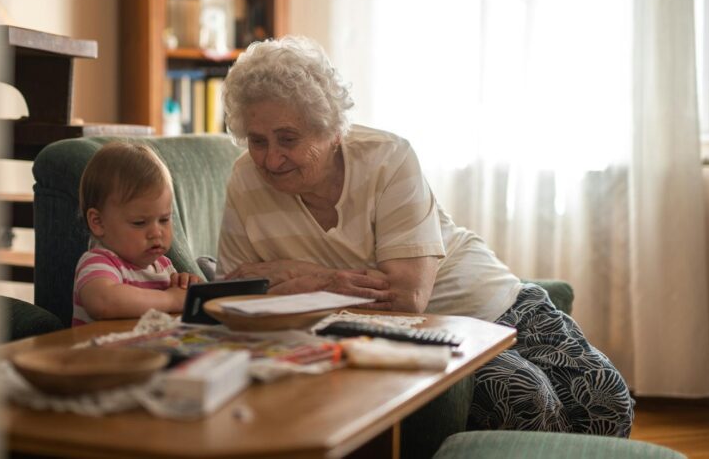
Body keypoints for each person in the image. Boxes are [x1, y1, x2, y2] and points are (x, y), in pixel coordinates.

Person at [216, 36, 634, 436]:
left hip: (497, 305)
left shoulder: (387, 158)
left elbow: (405, 297)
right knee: (525, 396)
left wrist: (295, 275)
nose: (270, 159)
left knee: (607, 403)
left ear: (331, 130)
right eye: (257, 141)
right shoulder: (244, 181)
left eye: (288, 139)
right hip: (418, 339)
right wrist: (324, 281)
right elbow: (234, 297)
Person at [72, 141, 199, 326]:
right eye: (139, 223)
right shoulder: (98, 262)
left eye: (164, 219)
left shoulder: (164, 267)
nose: (156, 232)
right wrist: (171, 300)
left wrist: (185, 286)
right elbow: (103, 302)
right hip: (102, 353)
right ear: (98, 222)